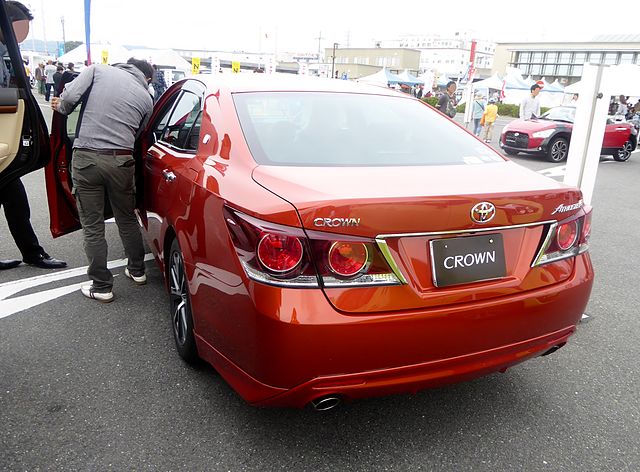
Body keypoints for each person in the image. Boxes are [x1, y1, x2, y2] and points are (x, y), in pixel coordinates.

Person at [51, 57, 154, 302]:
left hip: (86, 158)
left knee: (93, 226)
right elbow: (138, 133)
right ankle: (137, 270)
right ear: (147, 78)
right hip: (122, 160)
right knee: (127, 218)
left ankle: (102, 286)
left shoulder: (97, 70)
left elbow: (66, 102)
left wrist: (61, 106)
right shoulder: (147, 99)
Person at [0, 1, 66, 270]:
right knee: (15, 199)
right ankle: (33, 253)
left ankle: (33, 253)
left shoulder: (6, 51)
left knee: (16, 199)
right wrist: (14, 103)